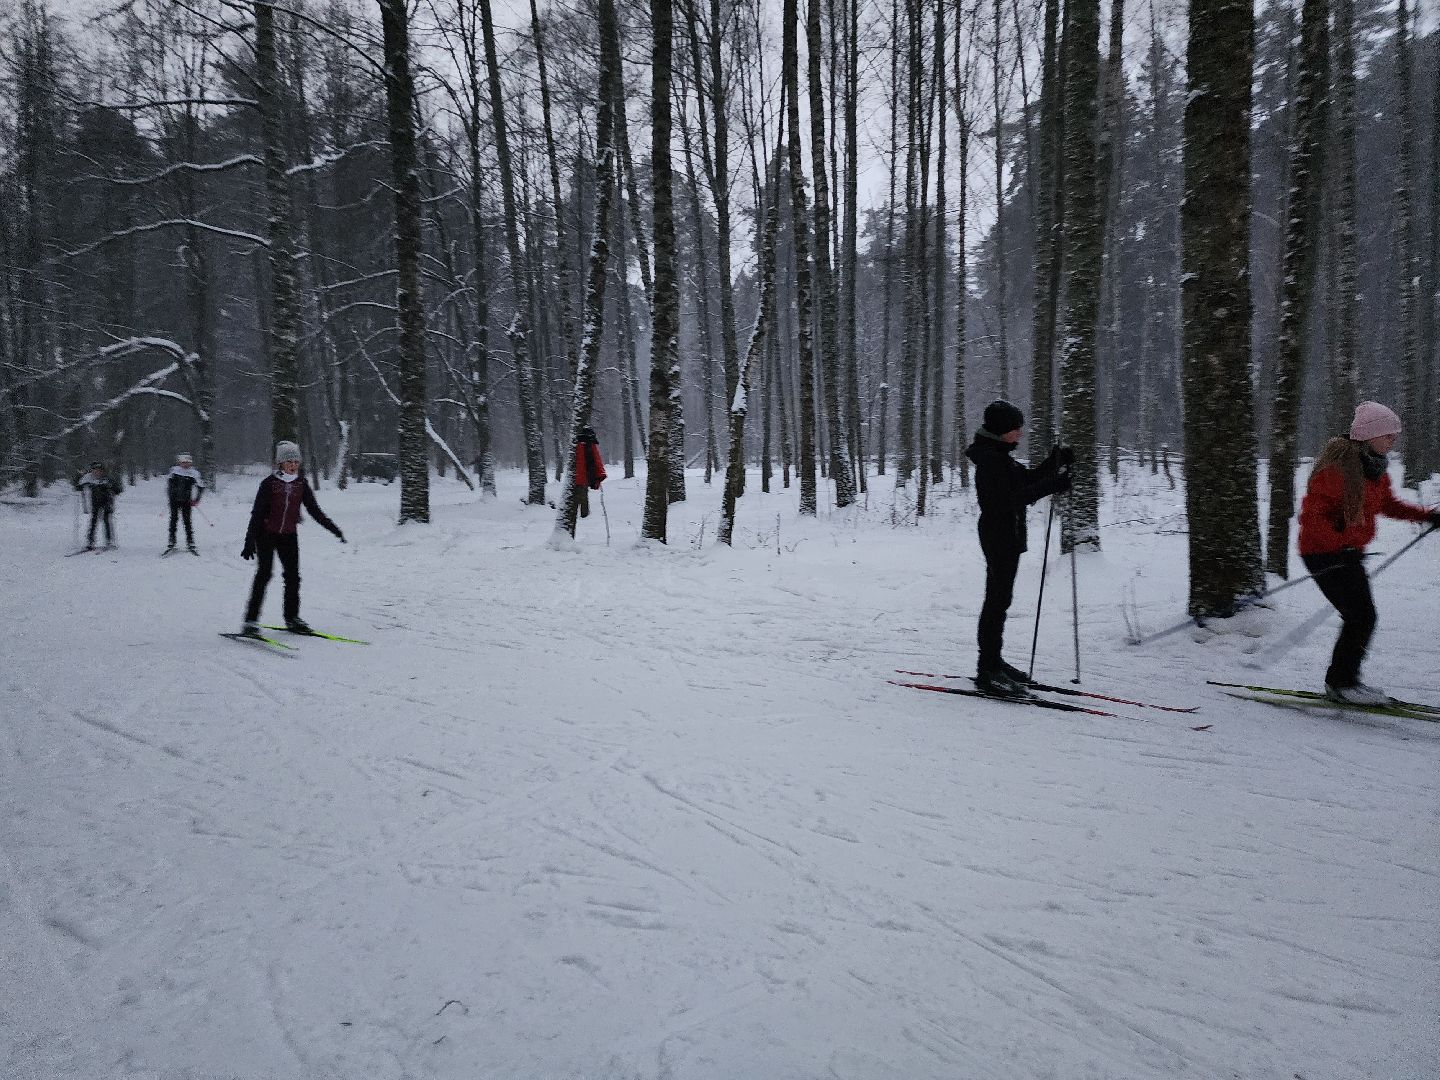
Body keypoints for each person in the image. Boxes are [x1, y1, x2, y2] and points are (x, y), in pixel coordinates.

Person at [1297, 401, 1439, 705]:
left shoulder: (1375, 472)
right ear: (1368, 435)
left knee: (1362, 616)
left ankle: (1344, 681)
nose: (1393, 440)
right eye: (1388, 434)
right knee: (1361, 616)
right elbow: (1311, 518)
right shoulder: (1337, 471)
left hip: (1347, 554)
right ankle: (1341, 683)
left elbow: (1388, 505)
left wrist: (1426, 516)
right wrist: (1339, 544)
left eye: (1395, 435)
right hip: (1324, 554)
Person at [964, 400, 1073, 698]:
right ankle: (988, 670)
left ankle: (993, 662)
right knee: (996, 602)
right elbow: (1005, 501)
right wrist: (1052, 486)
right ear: (1001, 431)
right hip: (999, 536)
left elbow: (1024, 481)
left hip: (1007, 536)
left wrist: (1054, 462)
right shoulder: (990, 461)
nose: (1020, 434)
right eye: (1015, 429)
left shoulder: (1000, 457)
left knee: (1001, 600)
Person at [240, 441, 345, 636]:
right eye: (289, 461)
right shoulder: (269, 484)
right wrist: (249, 542)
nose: (293, 465)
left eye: (296, 461)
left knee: (293, 577)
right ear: (280, 463)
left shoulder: (301, 484)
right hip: (266, 534)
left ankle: (292, 618)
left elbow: (314, 510)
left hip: (288, 535)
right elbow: (257, 514)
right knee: (264, 574)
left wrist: (333, 528)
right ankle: (250, 621)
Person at [74, 461, 122, 550]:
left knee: (106, 520)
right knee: (93, 521)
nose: (96, 473)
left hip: (107, 502)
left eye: (98, 471)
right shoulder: (88, 478)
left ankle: (109, 541)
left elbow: (118, 490)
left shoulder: (108, 479)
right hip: (95, 503)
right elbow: (77, 486)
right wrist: (79, 475)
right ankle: (90, 542)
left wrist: (113, 487)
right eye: (94, 471)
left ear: (102, 471)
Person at [164, 452, 204, 554]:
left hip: (187, 501)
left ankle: (190, 543)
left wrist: (197, 499)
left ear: (190, 463)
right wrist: (170, 497)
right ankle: (172, 542)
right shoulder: (174, 471)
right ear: (180, 462)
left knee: (187, 522)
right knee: (173, 521)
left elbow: (200, 487)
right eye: (183, 462)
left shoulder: (194, 473)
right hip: (174, 500)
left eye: (187, 462)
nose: (185, 464)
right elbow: (169, 486)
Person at [573, 426, 607, 519]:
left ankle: (582, 516)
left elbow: (593, 462)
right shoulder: (589, 445)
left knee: (577, 497)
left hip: (579, 476)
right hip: (584, 476)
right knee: (582, 497)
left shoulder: (577, 444)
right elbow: (596, 462)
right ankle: (584, 516)